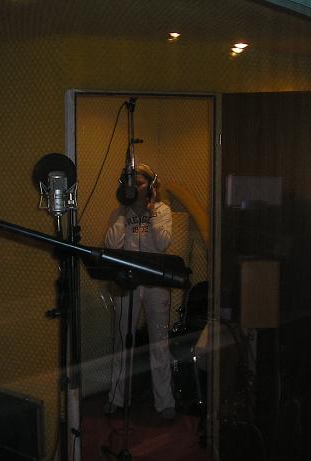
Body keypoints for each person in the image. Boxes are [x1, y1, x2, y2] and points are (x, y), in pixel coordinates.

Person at [103, 163, 176, 421]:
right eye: (130, 183)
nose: (134, 187)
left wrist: (151, 211)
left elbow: (163, 243)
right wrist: (124, 212)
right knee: (122, 339)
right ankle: (116, 398)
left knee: (159, 343)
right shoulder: (119, 213)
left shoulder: (163, 210)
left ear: (151, 186)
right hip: (129, 283)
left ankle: (164, 402)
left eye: (140, 183)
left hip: (155, 283)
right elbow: (111, 244)